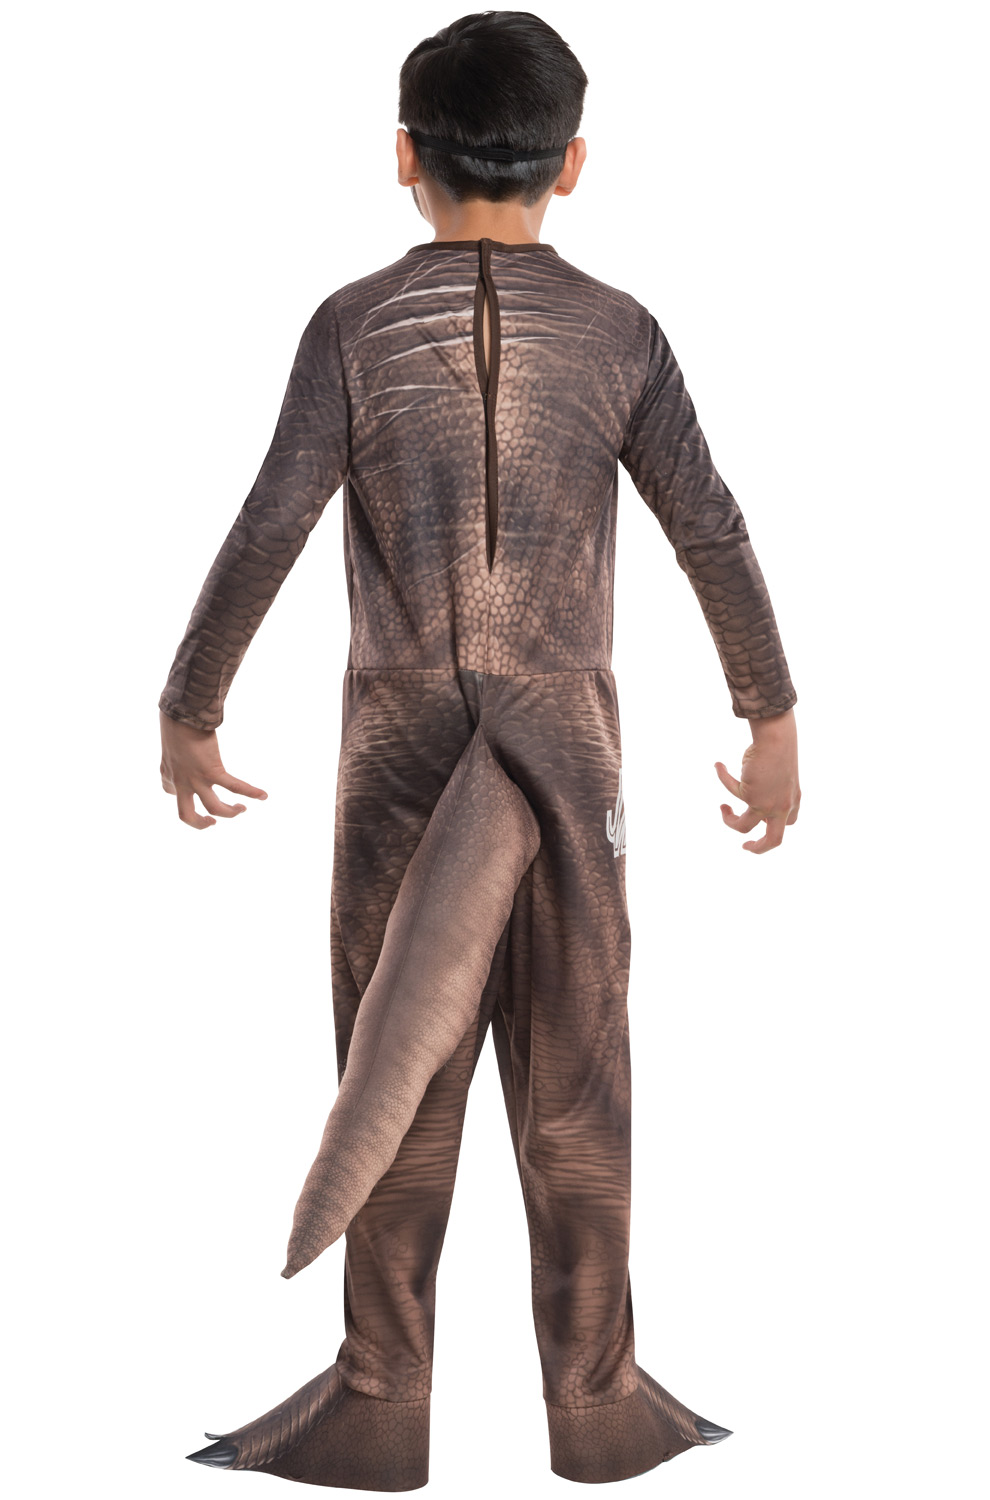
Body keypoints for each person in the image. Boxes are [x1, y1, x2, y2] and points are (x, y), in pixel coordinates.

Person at [161, 10, 800, 1489]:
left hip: (401, 751)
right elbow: (709, 526)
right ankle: (597, 1395)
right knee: (580, 1074)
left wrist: (190, 705)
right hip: (567, 743)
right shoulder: (620, 331)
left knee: (401, 1059)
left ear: (404, 156)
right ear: (571, 164)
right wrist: (768, 713)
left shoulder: (351, 326)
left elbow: (269, 521)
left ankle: (381, 1392)